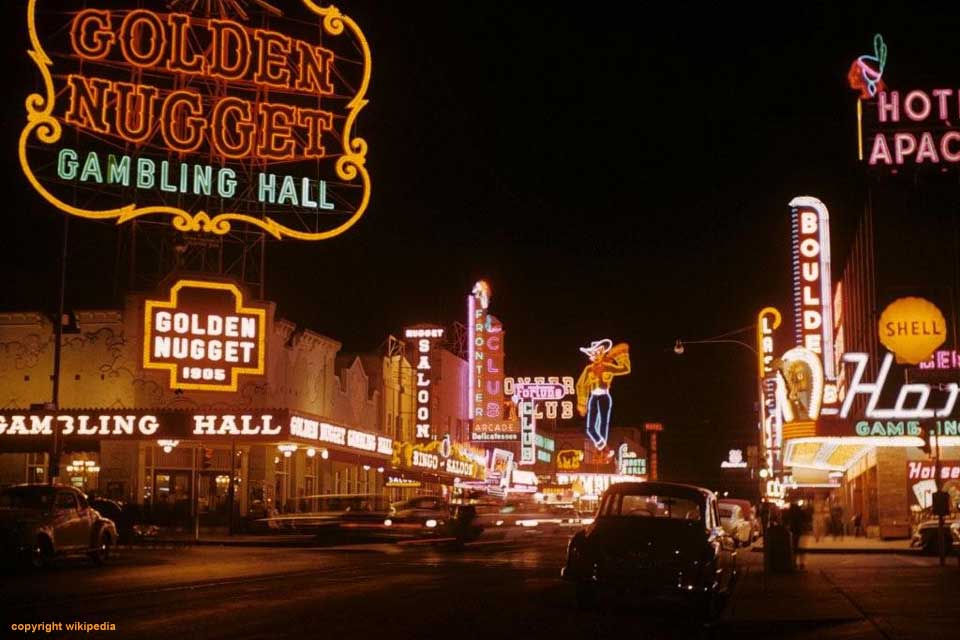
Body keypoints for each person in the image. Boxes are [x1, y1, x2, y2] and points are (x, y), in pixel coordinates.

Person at [576, 340, 631, 449]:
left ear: (602, 353)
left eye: (598, 353)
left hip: (605, 397)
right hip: (593, 397)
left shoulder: (608, 366)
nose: (595, 356)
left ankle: (602, 450)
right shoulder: (588, 369)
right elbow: (581, 385)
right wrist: (582, 403)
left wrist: (621, 355)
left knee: (603, 423)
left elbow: (625, 369)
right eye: (593, 353)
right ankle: (601, 445)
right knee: (590, 428)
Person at [787, 502, 806, 568]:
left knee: (794, 548)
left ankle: (794, 562)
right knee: (800, 548)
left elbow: (789, 522)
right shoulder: (799, 512)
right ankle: (801, 563)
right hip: (799, 531)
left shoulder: (791, 513)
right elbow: (804, 519)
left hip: (794, 532)